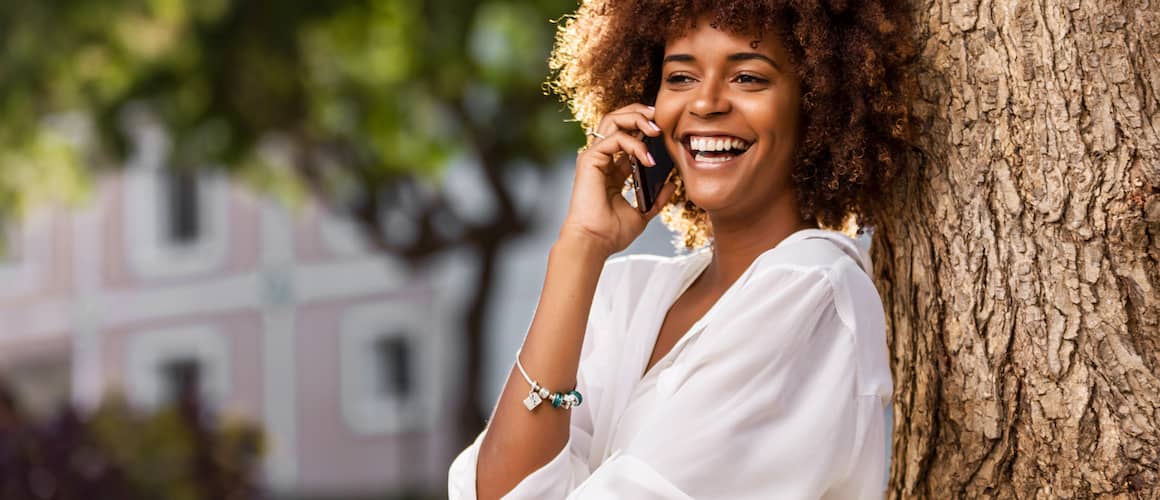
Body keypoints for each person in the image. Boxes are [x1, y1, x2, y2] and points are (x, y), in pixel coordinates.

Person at [450, 1, 914, 498]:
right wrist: (579, 250)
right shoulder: (626, 292)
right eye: (680, 77)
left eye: (749, 79)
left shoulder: (814, 288)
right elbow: (496, 492)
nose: (706, 102)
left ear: (819, 106)